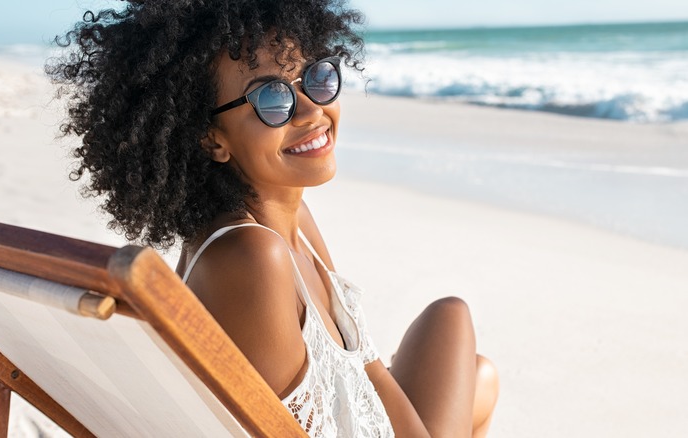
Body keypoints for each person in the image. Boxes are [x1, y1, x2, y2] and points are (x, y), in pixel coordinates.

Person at [49, 1, 498, 436]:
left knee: (461, 339)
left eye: (315, 77)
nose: (311, 110)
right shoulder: (250, 255)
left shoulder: (292, 217)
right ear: (212, 139)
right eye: (271, 97)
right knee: (472, 374)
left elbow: (368, 367)